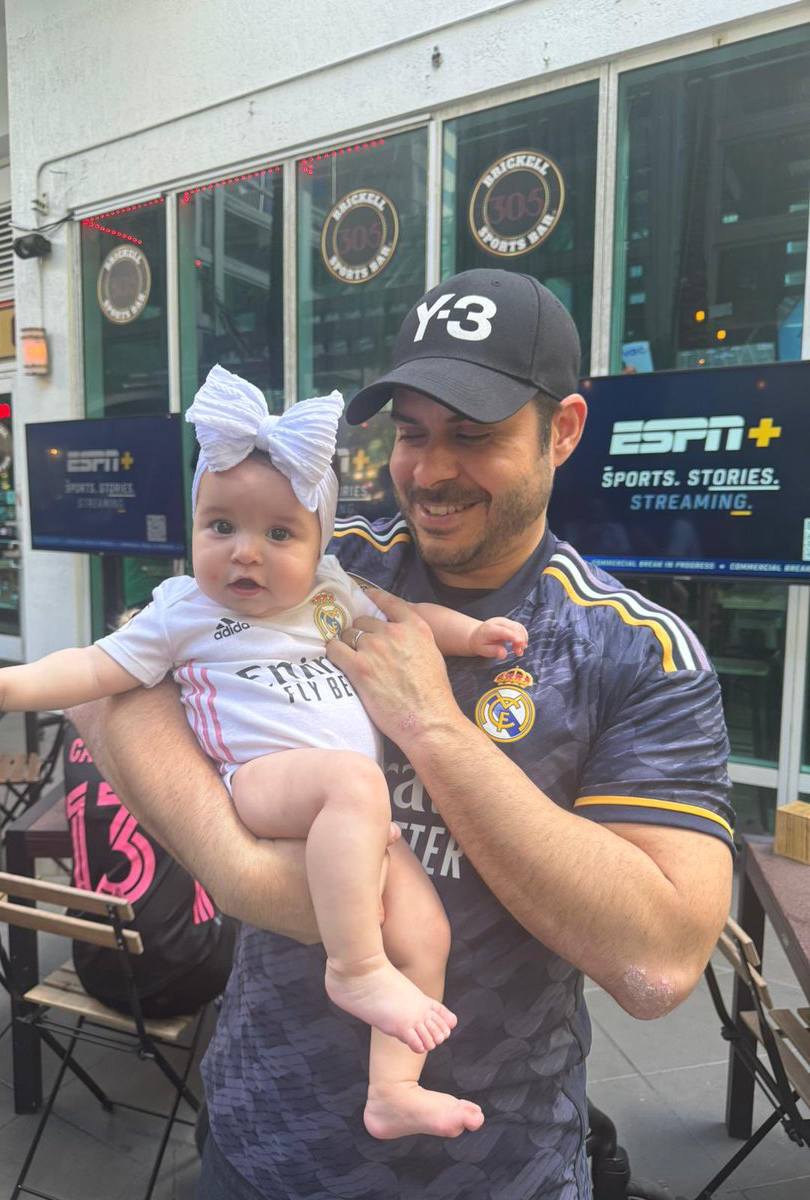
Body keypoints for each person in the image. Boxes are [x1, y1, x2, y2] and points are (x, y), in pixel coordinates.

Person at [59, 269, 735, 1200]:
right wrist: (238, 870)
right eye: (413, 433)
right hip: (254, 1136)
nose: (430, 468)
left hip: (488, 1172)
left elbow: (661, 961)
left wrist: (433, 728)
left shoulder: (631, 650)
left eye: (475, 434)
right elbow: (110, 692)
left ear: (564, 431)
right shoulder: (320, 560)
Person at [0, 365, 527, 1141]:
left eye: (279, 534)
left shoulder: (332, 595)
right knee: (352, 787)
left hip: (353, 814)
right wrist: (1, 690)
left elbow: (406, 618)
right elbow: (93, 668)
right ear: (194, 526)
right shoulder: (183, 611)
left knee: (427, 932)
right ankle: (354, 968)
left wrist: (472, 636)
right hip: (266, 787)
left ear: (318, 544)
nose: (245, 554)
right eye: (222, 527)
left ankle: (392, 1091)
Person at [62, 717, 235, 1018]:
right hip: (188, 976)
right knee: (260, 890)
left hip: (95, 969)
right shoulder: (185, 723)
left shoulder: (75, 725)